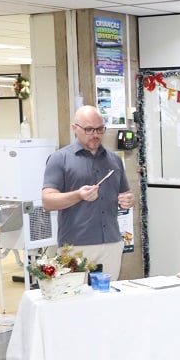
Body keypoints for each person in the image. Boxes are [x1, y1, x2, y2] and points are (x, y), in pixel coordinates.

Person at [42, 105, 133, 281]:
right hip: (76, 245)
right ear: (74, 128)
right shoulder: (60, 158)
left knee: (108, 294)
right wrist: (78, 195)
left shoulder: (114, 160)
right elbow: (47, 201)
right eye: (89, 129)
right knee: (76, 295)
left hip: (111, 243)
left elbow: (126, 193)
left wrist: (128, 200)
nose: (95, 134)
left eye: (99, 129)